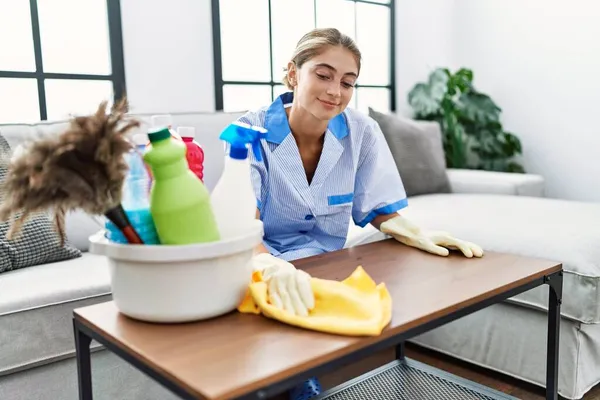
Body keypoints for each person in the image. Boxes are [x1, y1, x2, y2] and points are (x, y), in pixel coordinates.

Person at [235, 27, 483, 400]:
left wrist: (416, 232)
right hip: (258, 262)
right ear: (292, 73)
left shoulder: (362, 132)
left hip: (326, 263)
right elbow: (242, 228)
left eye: (347, 82)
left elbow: (380, 207)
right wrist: (269, 267)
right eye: (323, 75)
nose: (335, 91)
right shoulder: (248, 132)